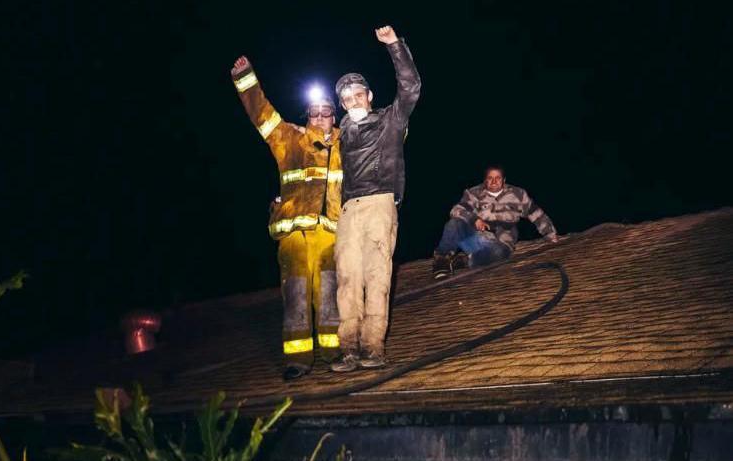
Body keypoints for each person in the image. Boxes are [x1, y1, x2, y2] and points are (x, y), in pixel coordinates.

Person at [231, 55, 343, 380]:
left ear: (334, 115)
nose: (321, 116)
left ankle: (333, 352)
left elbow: (379, 143)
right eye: (315, 112)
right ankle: (298, 359)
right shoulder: (289, 140)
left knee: (329, 294)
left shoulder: (346, 144)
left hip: (331, 233)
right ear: (307, 115)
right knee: (295, 294)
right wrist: (246, 78)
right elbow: (261, 115)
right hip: (294, 233)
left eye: (327, 112)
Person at [330, 26, 421, 372]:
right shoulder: (340, 136)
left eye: (358, 95)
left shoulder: (390, 120)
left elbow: (411, 87)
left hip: (380, 204)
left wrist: (394, 46)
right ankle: (348, 349)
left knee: (377, 276)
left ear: (369, 95)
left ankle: (373, 347)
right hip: (349, 210)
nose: (353, 101)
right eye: (347, 98)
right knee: (347, 279)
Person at [432, 166, 559, 279]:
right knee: (454, 223)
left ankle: (463, 262)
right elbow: (456, 210)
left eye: (497, 178)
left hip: (498, 243)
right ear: (485, 180)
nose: (494, 181)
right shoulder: (473, 193)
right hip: (474, 237)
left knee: (500, 253)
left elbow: (536, 213)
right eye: (490, 178)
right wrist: (474, 219)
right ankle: (442, 260)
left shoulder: (518, 194)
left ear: (504, 180)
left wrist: (550, 234)